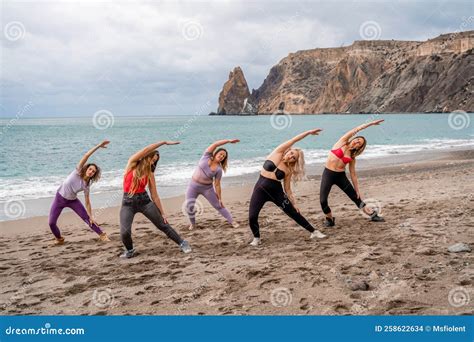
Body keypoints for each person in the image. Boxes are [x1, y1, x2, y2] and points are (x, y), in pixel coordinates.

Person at [248, 129, 327, 246]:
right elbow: (294, 139)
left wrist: (294, 203)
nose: (291, 156)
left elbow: (287, 188)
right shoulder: (277, 152)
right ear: (288, 151)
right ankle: (257, 238)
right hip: (260, 190)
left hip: (276, 192)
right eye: (291, 153)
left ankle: (314, 231)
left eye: (294, 158)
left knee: (293, 213)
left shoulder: (288, 170)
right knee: (252, 216)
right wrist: (308, 132)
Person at [119, 141, 191, 258]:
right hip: (128, 203)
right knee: (124, 232)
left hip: (145, 202)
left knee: (163, 225)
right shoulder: (131, 164)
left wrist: (162, 213)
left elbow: (155, 195)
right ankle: (130, 250)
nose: (153, 162)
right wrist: (163, 142)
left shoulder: (150, 173)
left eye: (155, 160)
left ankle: (182, 243)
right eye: (152, 158)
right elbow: (146, 148)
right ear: (146, 156)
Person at [320, 119, 385, 227]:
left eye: (360, 143)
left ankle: (373, 215)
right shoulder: (342, 142)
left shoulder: (352, 157)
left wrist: (357, 190)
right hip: (328, 174)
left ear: (359, 147)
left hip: (340, 176)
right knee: (323, 200)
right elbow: (356, 129)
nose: (357, 142)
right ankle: (330, 219)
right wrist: (371, 124)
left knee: (356, 198)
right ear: (354, 139)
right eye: (357, 139)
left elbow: (353, 174)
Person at [48, 140, 110, 245]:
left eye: (93, 171)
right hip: (59, 198)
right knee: (51, 223)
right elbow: (86, 155)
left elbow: (87, 201)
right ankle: (59, 239)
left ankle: (102, 235)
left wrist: (91, 215)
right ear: (87, 168)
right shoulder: (78, 171)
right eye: (90, 169)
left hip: (72, 201)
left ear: (93, 175)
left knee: (87, 219)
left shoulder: (86, 185)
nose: (91, 172)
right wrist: (99, 146)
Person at [185, 139, 240, 230]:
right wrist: (229, 141)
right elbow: (215, 144)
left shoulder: (219, 170)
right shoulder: (206, 156)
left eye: (224, 156)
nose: (222, 156)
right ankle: (193, 224)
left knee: (219, 205)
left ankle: (232, 221)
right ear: (215, 153)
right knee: (189, 206)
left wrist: (220, 198)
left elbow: (217, 184)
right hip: (193, 186)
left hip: (207, 189)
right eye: (221, 154)